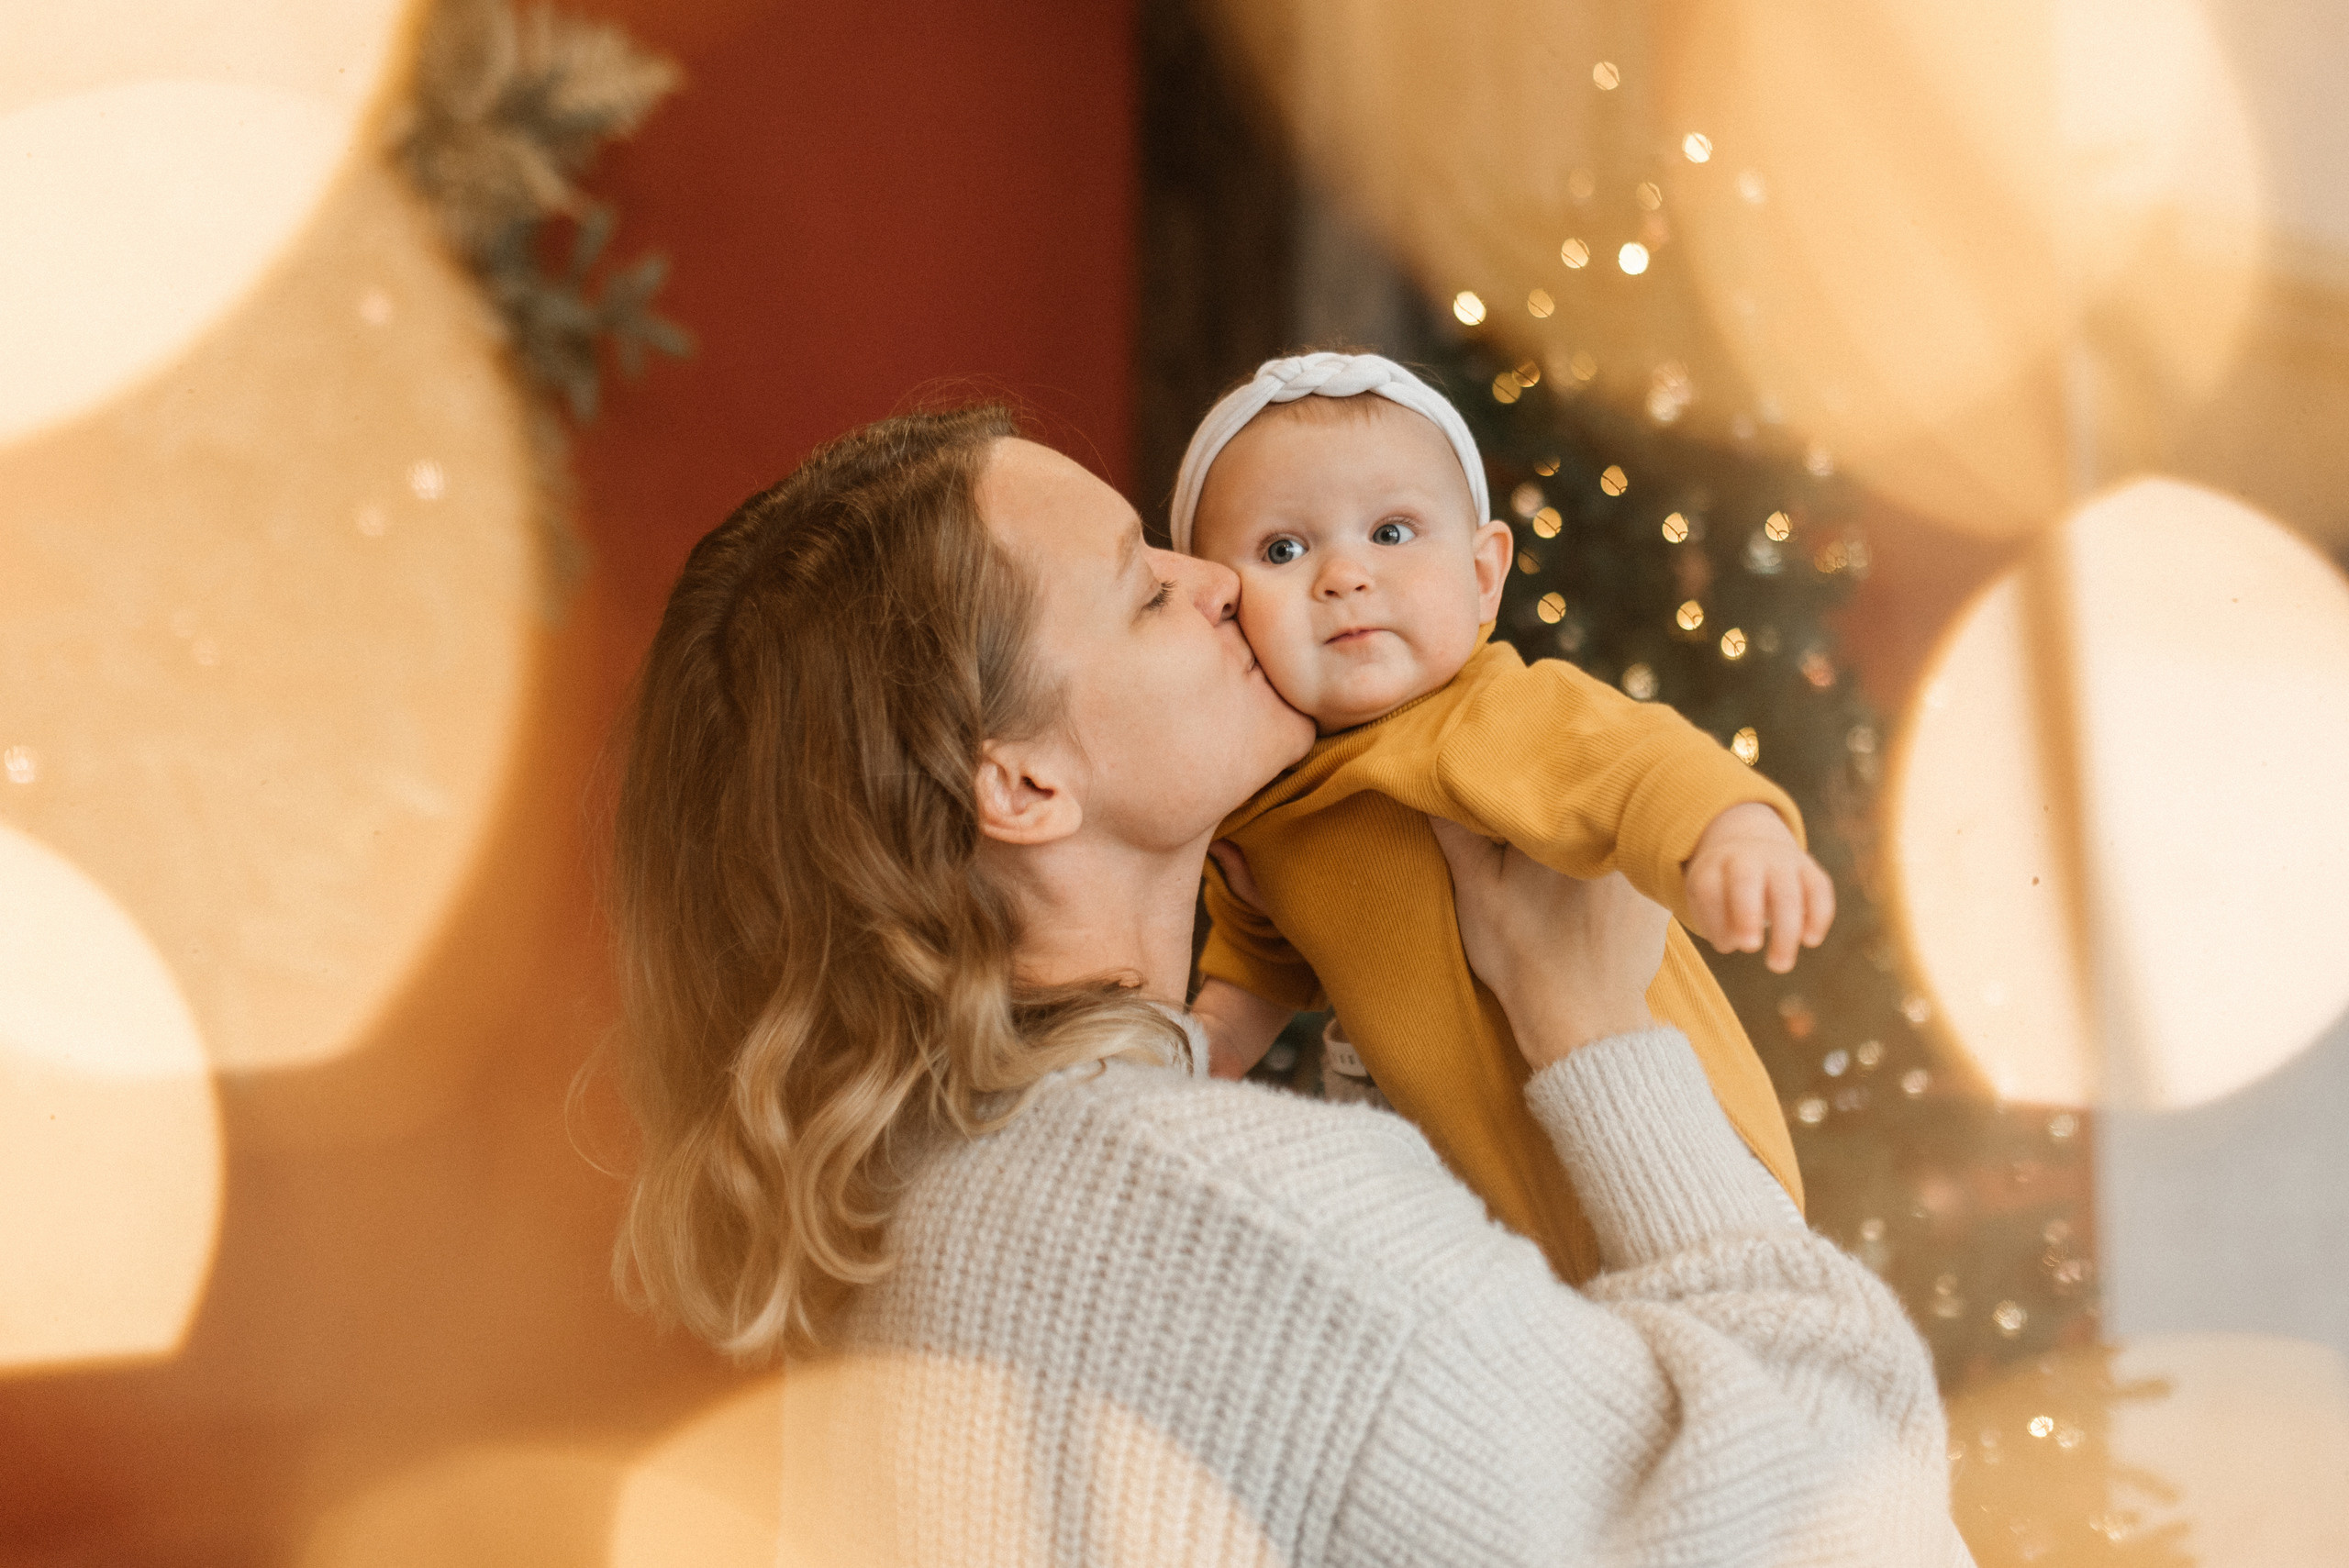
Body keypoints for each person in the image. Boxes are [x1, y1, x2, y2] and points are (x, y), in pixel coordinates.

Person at [606, 406, 1968, 1563]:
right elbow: (1853, 1529)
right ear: (1018, 782)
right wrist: (1597, 1038)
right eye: (1144, 588)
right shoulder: (1231, 1220)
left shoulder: (908, 1216)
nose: (1213, 580)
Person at [1175, 351, 1829, 1283]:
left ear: (1484, 576)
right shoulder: (1265, 802)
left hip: (1670, 1155)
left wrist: (1735, 833)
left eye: (1393, 531)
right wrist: (1210, 1045)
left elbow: (1639, 761)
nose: (1344, 575)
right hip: (1490, 1222)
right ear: (1221, 610)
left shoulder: (1496, 714)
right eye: (1284, 549)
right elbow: (1259, 951)